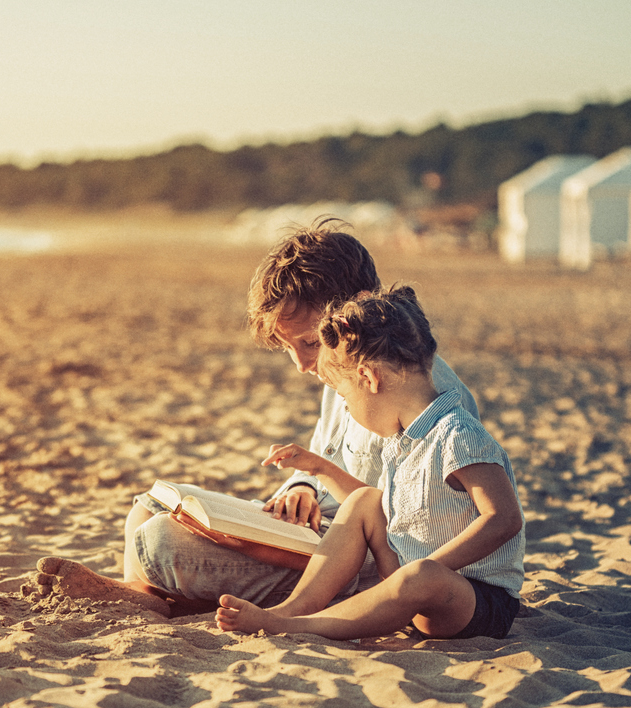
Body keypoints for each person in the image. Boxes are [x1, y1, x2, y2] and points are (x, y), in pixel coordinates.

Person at [32, 218, 477, 616]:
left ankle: (152, 594)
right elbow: (326, 456)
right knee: (149, 506)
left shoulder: (421, 394)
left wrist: (270, 542)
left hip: (350, 560)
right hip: (314, 526)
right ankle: (147, 592)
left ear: (356, 309)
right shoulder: (340, 371)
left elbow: (406, 527)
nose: (303, 365)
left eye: (308, 343)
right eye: (290, 349)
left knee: (160, 541)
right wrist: (301, 485)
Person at [215, 285, 525, 641]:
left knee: (420, 576)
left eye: (345, 398)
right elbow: (385, 510)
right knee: (365, 502)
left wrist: (431, 567)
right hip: (410, 580)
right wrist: (319, 468)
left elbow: (504, 518)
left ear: (369, 378)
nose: (346, 408)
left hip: (473, 598)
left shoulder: (457, 434)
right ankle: (292, 609)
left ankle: (296, 626)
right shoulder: (402, 440)